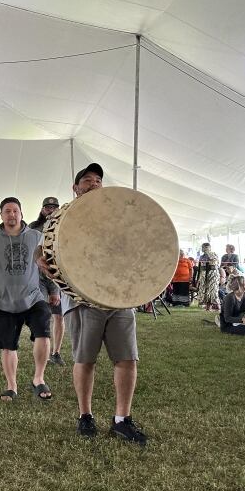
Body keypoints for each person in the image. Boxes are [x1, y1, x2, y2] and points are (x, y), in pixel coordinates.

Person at [37, 163, 147, 445]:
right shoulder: (62, 216)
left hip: (119, 298)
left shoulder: (115, 213)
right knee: (85, 359)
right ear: (76, 188)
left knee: (127, 357)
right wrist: (40, 258)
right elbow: (42, 248)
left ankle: (122, 419)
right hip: (81, 299)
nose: (94, 184)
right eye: (87, 180)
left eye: (98, 180)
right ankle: (85, 416)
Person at [0, 197, 57, 402]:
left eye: (15, 211)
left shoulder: (36, 237)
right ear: (1, 215)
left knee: (43, 332)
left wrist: (54, 289)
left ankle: (39, 378)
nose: (12, 215)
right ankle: (11, 385)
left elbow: (50, 264)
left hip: (33, 298)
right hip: (4, 302)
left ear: (21, 213)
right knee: (8, 346)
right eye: (7, 211)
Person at [29, 196, 66, 365]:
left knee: (59, 316)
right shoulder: (32, 228)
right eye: (47, 207)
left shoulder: (65, 226)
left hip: (58, 277)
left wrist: (56, 289)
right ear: (42, 209)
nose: (51, 210)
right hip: (37, 277)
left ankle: (56, 352)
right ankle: (41, 348)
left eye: (54, 207)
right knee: (42, 312)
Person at [195, 243, 222, 312]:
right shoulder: (201, 257)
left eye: (204, 247)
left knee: (213, 290)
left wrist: (208, 252)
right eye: (202, 247)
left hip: (212, 273)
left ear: (208, 248)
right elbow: (200, 267)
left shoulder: (213, 254)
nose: (203, 249)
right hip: (204, 274)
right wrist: (198, 278)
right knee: (205, 290)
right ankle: (208, 307)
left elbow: (215, 261)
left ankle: (217, 306)